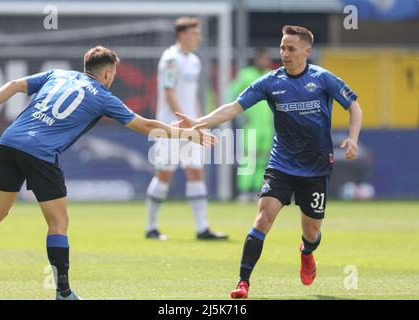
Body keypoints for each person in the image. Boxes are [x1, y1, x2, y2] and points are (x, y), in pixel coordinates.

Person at [0, 46, 215, 300]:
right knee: (59, 223)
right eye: (113, 74)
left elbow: (15, 84)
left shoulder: (58, 74)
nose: (112, 78)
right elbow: (146, 126)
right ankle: (63, 293)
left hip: (10, 141)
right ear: (105, 74)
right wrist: (188, 134)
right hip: (40, 152)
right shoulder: (103, 96)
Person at [175, 25, 363, 299]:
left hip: (315, 167)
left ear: (307, 52)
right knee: (263, 218)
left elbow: (354, 107)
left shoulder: (323, 79)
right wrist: (199, 122)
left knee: (311, 232)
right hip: (281, 165)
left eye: (291, 49)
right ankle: (243, 282)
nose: (284, 53)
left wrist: (353, 138)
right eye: (282, 48)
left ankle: (307, 252)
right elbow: (233, 107)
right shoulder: (271, 82)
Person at [145, 17, 227, 241]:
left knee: (196, 172)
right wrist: (185, 120)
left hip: (191, 127)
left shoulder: (194, 61)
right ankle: (151, 227)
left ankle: (202, 228)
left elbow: (192, 97)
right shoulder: (170, 59)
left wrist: (199, 122)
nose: (198, 37)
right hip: (169, 126)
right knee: (164, 175)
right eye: (194, 33)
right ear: (182, 35)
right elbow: (169, 93)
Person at [228, 48, 274, 202]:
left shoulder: (271, 75)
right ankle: (244, 191)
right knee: (248, 158)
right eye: (262, 58)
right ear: (256, 60)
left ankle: (257, 191)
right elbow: (231, 93)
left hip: (267, 126)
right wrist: (240, 116)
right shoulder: (246, 75)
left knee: (263, 160)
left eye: (266, 59)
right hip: (251, 125)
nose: (264, 62)